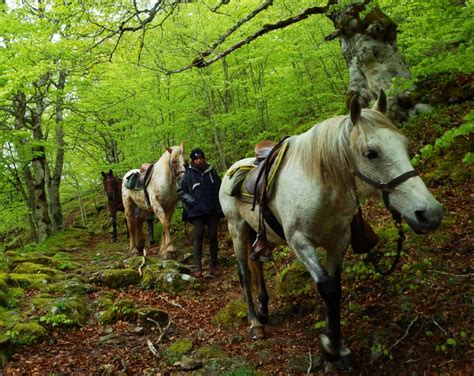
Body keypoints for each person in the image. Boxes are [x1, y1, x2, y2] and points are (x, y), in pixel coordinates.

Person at [178, 148, 223, 278]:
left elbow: (219, 187)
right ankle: (198, 268)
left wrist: (220, 205)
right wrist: (190, 201)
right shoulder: (188, 173)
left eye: (201, 158)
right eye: (196, 159)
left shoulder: (211, 171)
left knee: (213, 237)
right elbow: (180, 191)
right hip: (196, 211)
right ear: (193, 160)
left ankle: (214, 266)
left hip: (212, 209)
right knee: (198, 237)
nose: (199, 160)